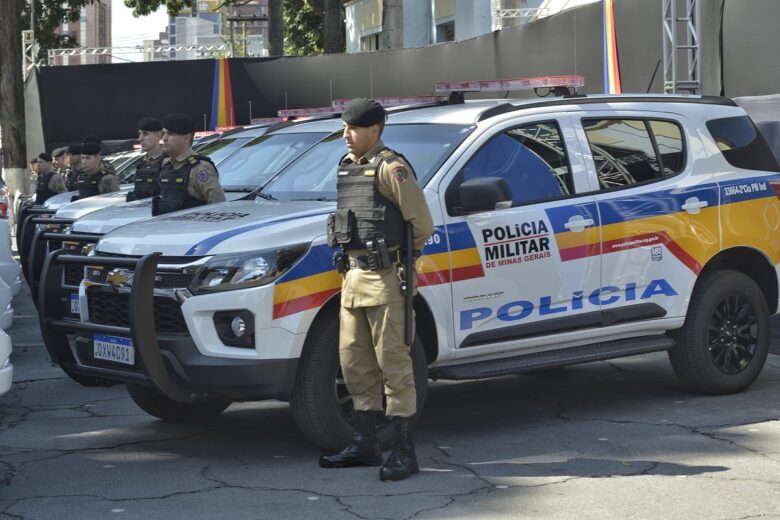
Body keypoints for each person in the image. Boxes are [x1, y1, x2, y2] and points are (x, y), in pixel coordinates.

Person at [319, 98, 433, 481]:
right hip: (352, 279)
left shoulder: (392, 168)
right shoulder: (348, 168)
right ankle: (366, 442)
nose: (346, 135)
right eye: (344, 127)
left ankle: (403, 450)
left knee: (394, 367)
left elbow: (422, 224)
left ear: (375, 130)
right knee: (354, 364)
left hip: (386, 280)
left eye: (352, 128)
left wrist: (403, 263)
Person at [153, 113, 225, 216]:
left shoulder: (200, 168)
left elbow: (219, 208)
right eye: (164, 133)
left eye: (170, 134)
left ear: (186, 138)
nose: (164, 138)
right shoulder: (167, 166)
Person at [126, 117, 165, 202]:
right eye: (140, 134)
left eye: (145, 134)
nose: (140, 138)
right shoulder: (142, 163)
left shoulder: (168, 161)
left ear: (158, 136)